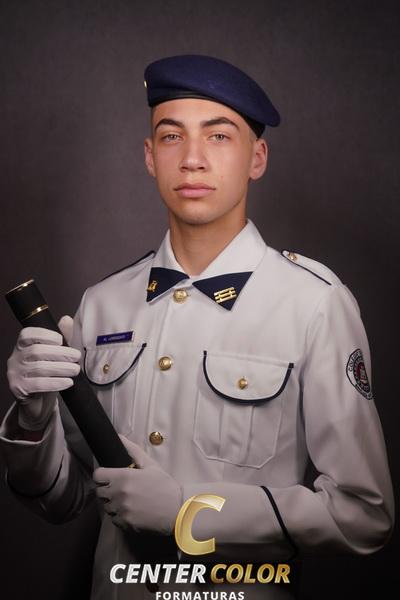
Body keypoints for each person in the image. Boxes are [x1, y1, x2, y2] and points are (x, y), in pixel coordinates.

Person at [0, 55, 394, 600]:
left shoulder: (314, 304)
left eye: (219, 136)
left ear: (257, 158)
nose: (191, 160)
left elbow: (363, 515)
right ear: (149, 156)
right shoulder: (103, 303)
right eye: (171, 136)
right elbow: (63, 500)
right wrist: (32, 419)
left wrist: (191, 512)